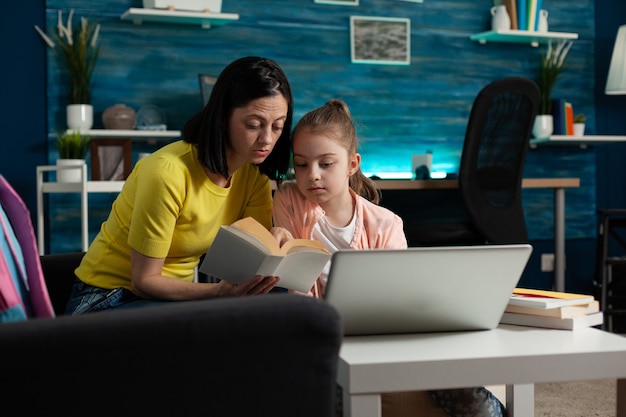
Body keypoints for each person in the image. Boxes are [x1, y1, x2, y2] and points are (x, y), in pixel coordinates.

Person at [272, 99, 507, 417]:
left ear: (352, 164)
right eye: (301, 164)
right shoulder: (289, 200)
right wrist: (281, 239)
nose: (312, 175)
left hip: (382, 338)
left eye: (326, 164)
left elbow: (399, 299)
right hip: (326, 342)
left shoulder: (385, 223)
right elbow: (292, 276)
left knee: (468, 396)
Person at [65, 56, 294, 315]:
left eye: (277, 127)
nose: (267, 139)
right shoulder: (168, 172)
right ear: (222, 117)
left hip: (172, 303)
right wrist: (219, 293)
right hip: (107, 298)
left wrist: (276, 242)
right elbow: (144, 282)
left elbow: (250, 262)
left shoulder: (254, 177)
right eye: (254, 125)